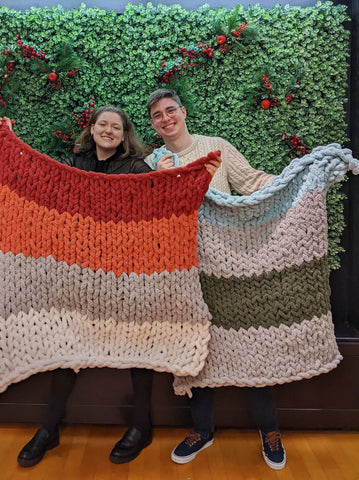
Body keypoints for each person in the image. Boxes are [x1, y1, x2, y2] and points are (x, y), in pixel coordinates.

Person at [0, 105, 221, 467]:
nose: (109, 130)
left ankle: (141, 426)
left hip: (128, 279)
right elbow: (46, 202)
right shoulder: (72, 165)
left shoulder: (136, 168)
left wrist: (182, 177)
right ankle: (49, 429)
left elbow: (158, 207)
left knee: (137, 348)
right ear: (93, 129)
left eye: (116, 126)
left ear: (124, 133)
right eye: (103, 124)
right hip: (75, 282)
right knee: (64, 348)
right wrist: (5, 142)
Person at [145, 88, 286, 471]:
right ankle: (202, 429)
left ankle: (269, 429)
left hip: (231, 264)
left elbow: (252, 181)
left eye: (170, 110)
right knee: (196, 349)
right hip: (185, 269)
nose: (165, 118)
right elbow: (152, 216)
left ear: (183, 112)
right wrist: (159, 181)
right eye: (157, 115)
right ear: (154, 125)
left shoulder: (216, 147)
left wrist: (294, 181)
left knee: (250, 342)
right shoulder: (154, 160)